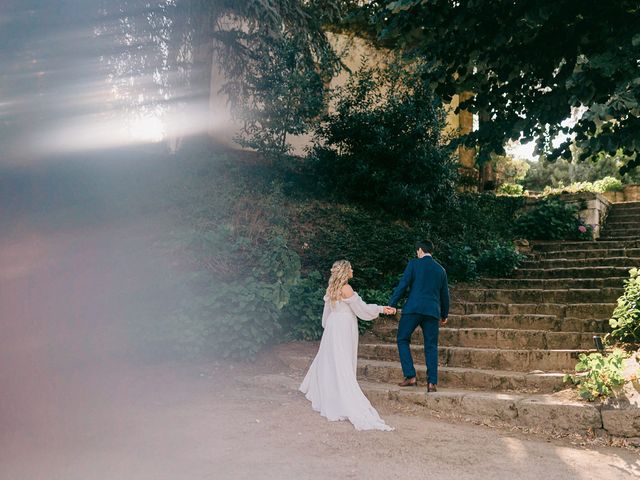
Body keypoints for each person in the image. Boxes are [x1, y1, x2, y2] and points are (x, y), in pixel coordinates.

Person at [299, 260, 396, 431]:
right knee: (343, 360)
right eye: (350, 268)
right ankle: (342, 396)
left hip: (332, 326)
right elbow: (362, 310)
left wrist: (329, 327)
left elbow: (326, 317)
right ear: (345, 271)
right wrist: (381, 308)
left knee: (331, 361)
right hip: (344, 327)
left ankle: (329, 394)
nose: (353, 270)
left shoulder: (331, 289)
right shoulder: (347, 288)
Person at [389, 240, 449, 392]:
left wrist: (392, 304)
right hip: (432, 312)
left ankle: (410, 376)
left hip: (413, 309)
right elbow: (445, 296)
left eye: (417, 251)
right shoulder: (441, 270)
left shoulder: (414, 264)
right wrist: (444, 315)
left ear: (420, 250)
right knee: (431, 346)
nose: (417, 253)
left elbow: (403, 285)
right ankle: (432, 383)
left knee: (402, 339)